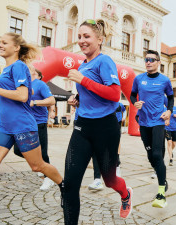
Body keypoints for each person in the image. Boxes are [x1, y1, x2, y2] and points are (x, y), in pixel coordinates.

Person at [0, 32, 63, 225]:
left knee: (37, 166)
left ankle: (64, 186)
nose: (0, 45)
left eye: (4, 43)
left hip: (23, 125)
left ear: (16, 47)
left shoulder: (19, 66)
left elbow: (23, 96)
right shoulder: (6, 70)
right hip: (5, 127)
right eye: (0, 42)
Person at [64, 19, 133, 223]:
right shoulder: (82, 65)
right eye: (79, 37)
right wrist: (77, 100)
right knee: (70, 184)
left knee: (109, 179)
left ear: (100, 40)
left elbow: (114, 94)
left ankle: (125, 193)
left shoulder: (105, 61)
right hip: (82, 127)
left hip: (105, 127)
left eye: (87, 36)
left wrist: (82, 80)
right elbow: (90, 94)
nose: (82, 41)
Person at [130, 49, 173, 208]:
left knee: (157, 153)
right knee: (151, 156)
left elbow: (171, 97)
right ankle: (163, 178)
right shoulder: (139, 79)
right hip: (143, 122)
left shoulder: (164, 80)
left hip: (158, 121)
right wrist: (135, 103)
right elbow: (133, 94)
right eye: (146, 59)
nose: (148, 62)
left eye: (152, 60)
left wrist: (168, 111)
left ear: (158, 62)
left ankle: (161, 192)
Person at [14, 66, 56, 190]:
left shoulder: (40, 84)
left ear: (35, 73)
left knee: (43, 152)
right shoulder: (22, 84)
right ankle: (40, 165)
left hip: (38, 122)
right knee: (17, 149)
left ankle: (49, 178)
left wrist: (35, 102)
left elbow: (51, 100)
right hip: (24, 123)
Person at [88, 102, 126, 190]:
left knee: (114, 147)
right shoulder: (99, 101)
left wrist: (124, 118)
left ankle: (116, 167)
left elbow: (124, 111)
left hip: (115, 124)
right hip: (100, 123)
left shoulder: (120, 105)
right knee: (95, 149)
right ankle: (97, 179)